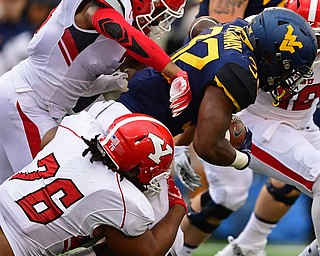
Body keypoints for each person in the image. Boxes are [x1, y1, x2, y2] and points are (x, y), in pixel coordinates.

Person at [116, 6, 316, 195]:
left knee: (172, 209)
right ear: (270, 57)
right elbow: (207, 146)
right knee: (152, 215)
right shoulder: (240, 74)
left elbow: (200, 25)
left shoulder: (236, 29)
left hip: (130, 114)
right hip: (134, 130)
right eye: (286, 68)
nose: (285, 78)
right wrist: (243, 158)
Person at [174, 1, 320, 255]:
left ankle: (249, 245)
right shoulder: (255, 29)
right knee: (230, 194)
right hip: (247, 119)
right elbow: (205, 49)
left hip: (302, 122)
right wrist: (179, 138)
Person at [0, 0, 192, 183]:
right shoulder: (102, 13)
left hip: (38, 106)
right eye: (159, 12)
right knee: (40, 192)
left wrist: (114, 81)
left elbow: (72, 81)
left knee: (12, 191)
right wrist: (174, 71)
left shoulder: (126, 27)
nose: (158, 21)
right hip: (26, 101)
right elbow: (108, 22)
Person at [0, 100, 187, 256]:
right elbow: (150, 252)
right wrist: (178, 206)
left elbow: (46, 141)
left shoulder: (76, 130)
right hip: (12, 247)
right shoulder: (122, 199)